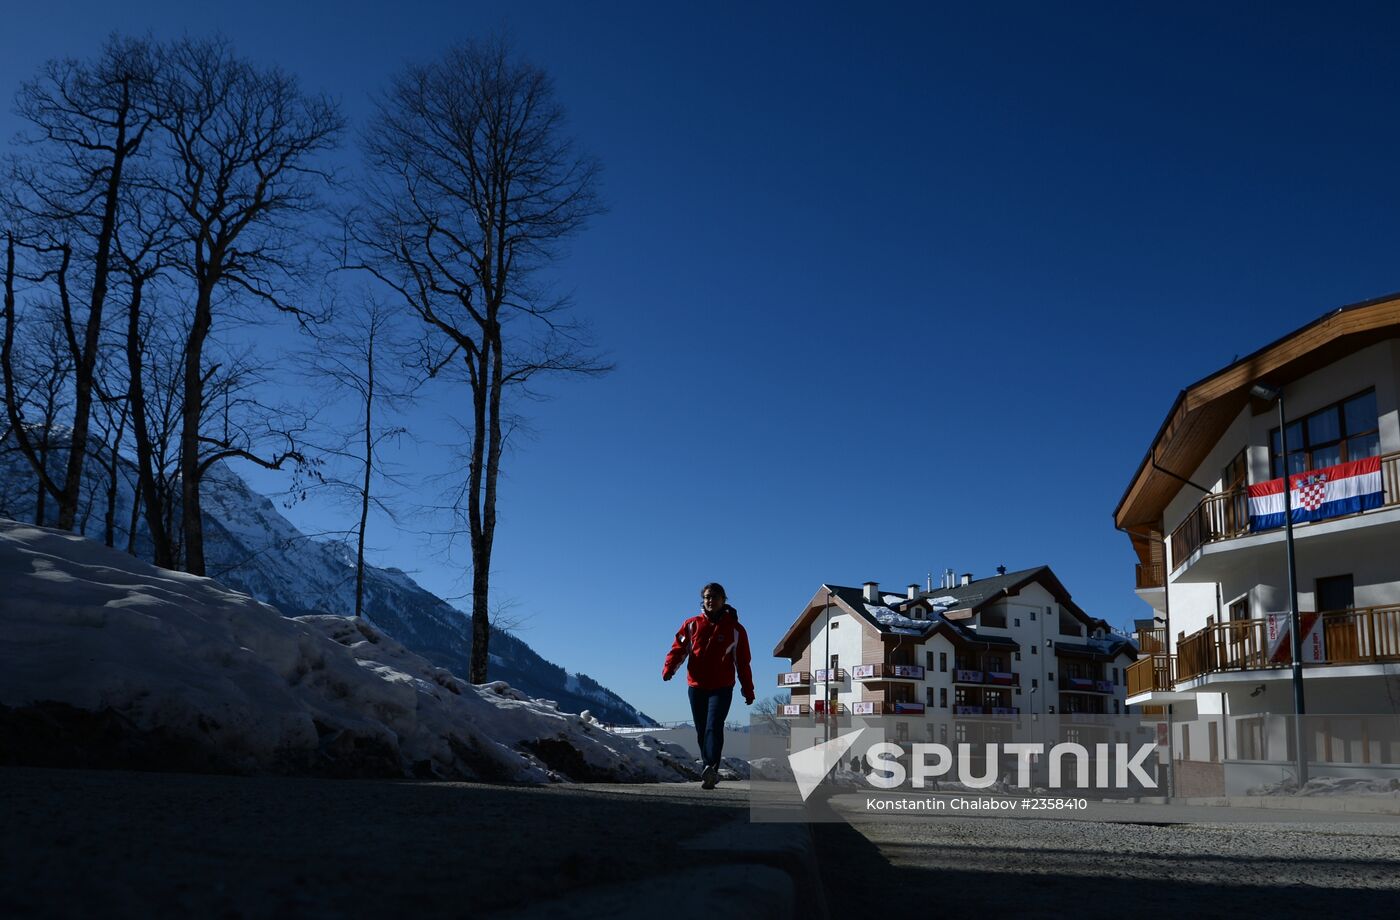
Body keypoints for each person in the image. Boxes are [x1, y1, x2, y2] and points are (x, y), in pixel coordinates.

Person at [662, 582, 755, 789]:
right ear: (702, 601)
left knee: (714, 726)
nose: (710, 600)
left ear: (724, 600)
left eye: (714, 596)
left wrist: (748, 689)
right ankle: (708, 769)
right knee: (702, 730)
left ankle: (711, 768)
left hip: (722, 687)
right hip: (696, 686)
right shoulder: (691, 624)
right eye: (706, 597)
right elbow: (679, 649)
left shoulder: (736, 630)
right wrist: (669, 669)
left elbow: (743, 662)